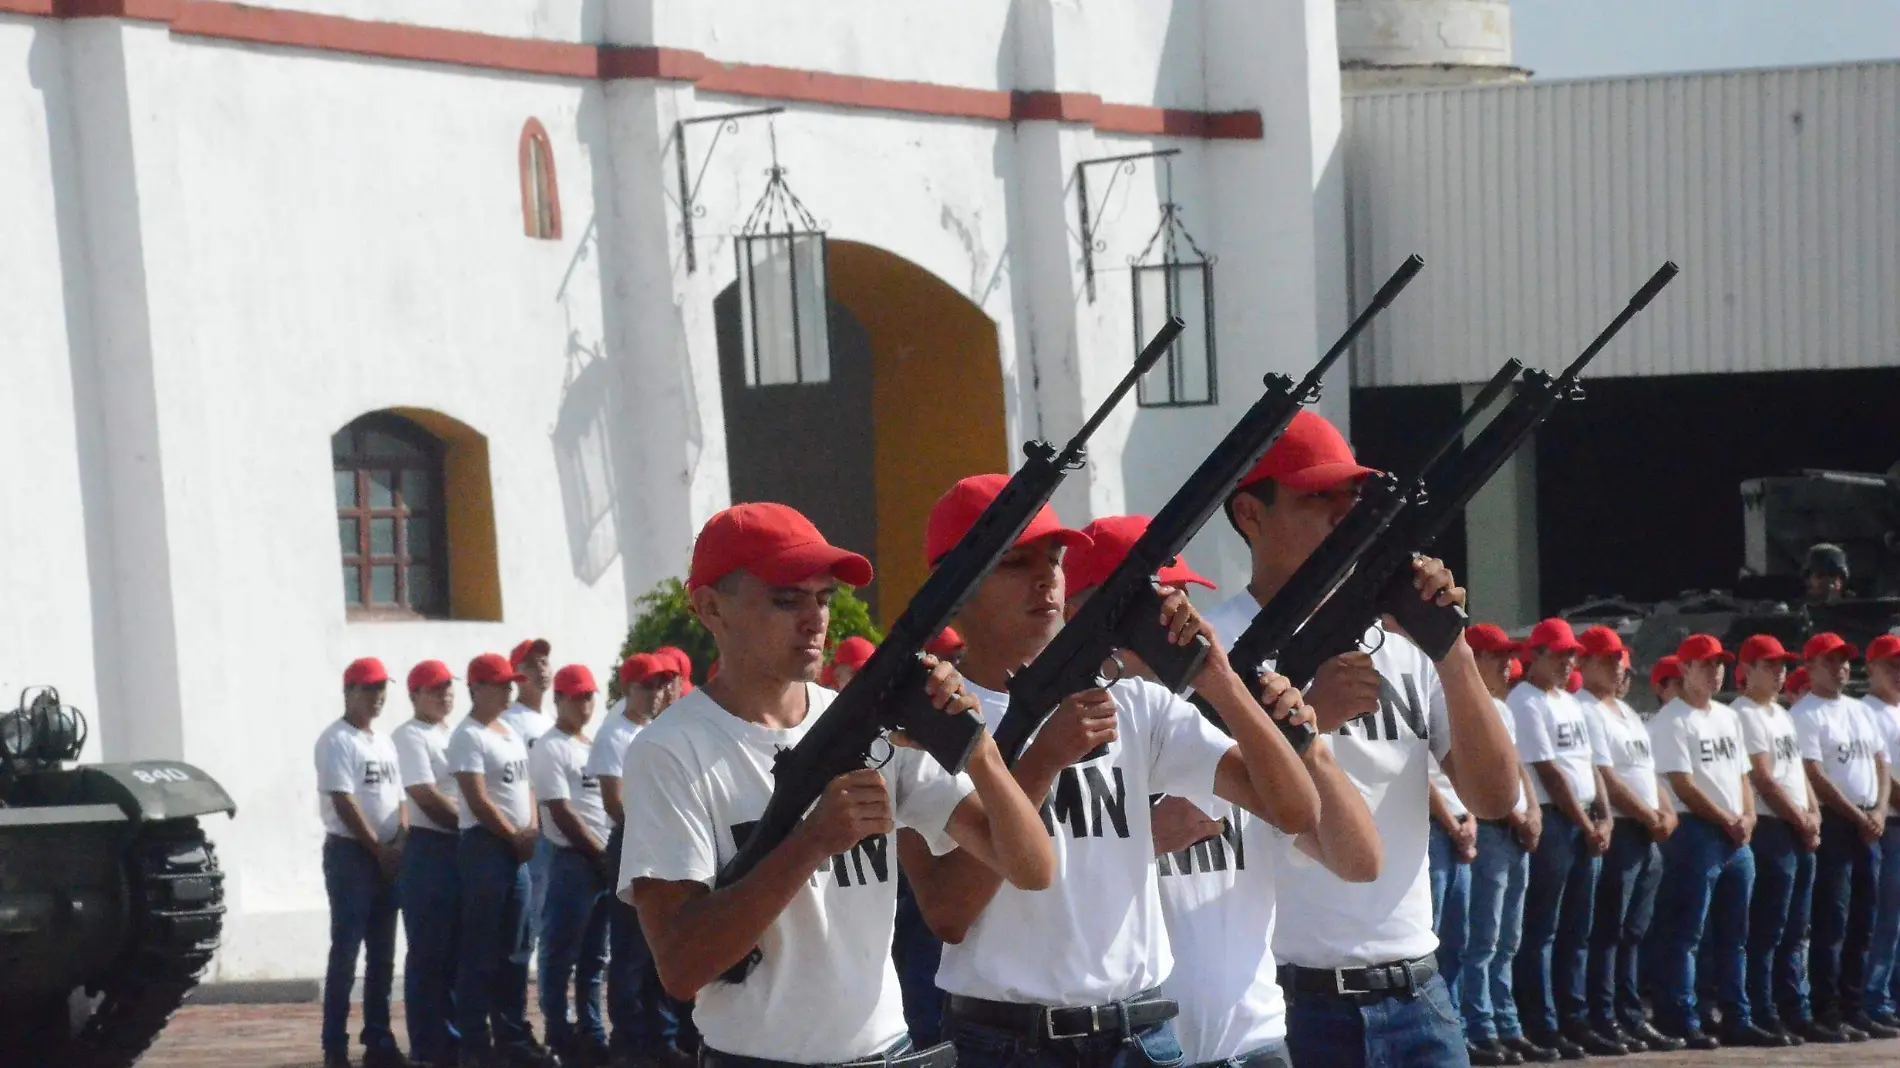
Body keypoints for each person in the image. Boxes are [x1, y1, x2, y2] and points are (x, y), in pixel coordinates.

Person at [896, 479, 1323, 1068]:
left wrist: (1219, 680)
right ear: (954, 590)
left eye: (1055, 560)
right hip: (1009, 1042)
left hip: (1139, 1034)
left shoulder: (1133, 704)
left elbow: (1296, 809)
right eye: (1017, 563)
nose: (1046, 580)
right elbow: (947, 913)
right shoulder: (921, 721)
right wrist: (1041, 761)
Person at [619, 502, 1057, 1068]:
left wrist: (980, 751)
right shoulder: (669, 750)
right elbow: (680, 968)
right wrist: (811, 842)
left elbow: (1031, 868)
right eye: (785, 599)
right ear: (709, 608)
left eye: (823, 599)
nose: (814, 619)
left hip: (888, 1053)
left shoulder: (868, 727)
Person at [1200, 414, 1522, 1068]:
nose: (1342, 517)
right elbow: (1188, 815)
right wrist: (1309, 719)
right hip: (1288, 1007)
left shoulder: (1402, 647)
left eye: (1353, 501)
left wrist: (1450, 646)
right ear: (1249, 514)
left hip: (1418, 994)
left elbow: (1492, 797)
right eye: (1317, 498)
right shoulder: (1213, 654)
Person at [1072, 513, 1382, 1068]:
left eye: (1184, 603)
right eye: (1159, 609)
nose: (1179, 625)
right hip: (1133, 1049)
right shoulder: (1063, 744)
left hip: (1253, 1046)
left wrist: (1307, 745)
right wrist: (1143, 841)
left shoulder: (1229, 736)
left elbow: (1358, 860)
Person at [1648, 635, 1768, 1049]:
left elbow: (1741, 775)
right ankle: (1683, 1015)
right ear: (1684, 670)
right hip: (1695, 832)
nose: (1715, 672)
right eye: (1705, 665)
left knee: (1735, 934)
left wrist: (1748, 816)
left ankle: (1735, 1014)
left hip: (1736, 833)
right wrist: (1728, 820)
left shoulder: (1727, 717)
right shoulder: (1671, 720)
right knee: (1688, 932)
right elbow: (1682, 783)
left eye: (1720, 664)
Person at [1510, 619, 1616, 1058]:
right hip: (1557, 820)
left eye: (1571, 654)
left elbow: (1590, 764)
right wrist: (1586, 823)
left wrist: (1605, 816)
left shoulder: (1570, 703)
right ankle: (1543, 1021)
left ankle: (1575, 1017)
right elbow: (1549, 772)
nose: (1567, 662)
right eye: (1558, 655)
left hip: (1585, 818)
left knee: (1578, 928)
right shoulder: (1526, 700)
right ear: (1534, 655)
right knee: (1544, 929)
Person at [1575, 627, 1680, 1054]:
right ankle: (1605, 1016)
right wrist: (1648, 814)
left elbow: (1648, 771)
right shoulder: (1586, 709)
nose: (1618, 666)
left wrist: (1666, 812)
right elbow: (1607, 777)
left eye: (1619, 659)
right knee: (1609, 932)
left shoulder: (1626, 712)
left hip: (1646, 832)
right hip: (1620, 829)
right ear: (1587, 664)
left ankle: (1631, 1014)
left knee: (1634, 932)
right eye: (1608, 659)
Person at [1454, 625, 1551, 1066]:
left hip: (1514, 830)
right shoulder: (1470, 707)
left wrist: (1533, 811)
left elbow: (1517, 767)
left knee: (1508, 936)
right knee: (1484, 937)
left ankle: (1506, 1024)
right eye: (1496, 656)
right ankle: (1481, 1026)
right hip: (1491, 828)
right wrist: (1517, 814)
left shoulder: (1505, 708)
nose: (1508, 665)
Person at [1793, 632, 1895, 1039]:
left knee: (1863, 920)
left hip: (1870, 822)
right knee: (1831, 920)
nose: (1840, 668)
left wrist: (1880, 809)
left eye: (1844, 661)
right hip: (1838, 824)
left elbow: (1880, 763)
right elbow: (1815, 775)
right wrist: (1857, 815)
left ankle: (1855, 1006)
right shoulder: (1807, 713)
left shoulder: (1858, 710)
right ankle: (1827, 1009)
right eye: (1831, 661)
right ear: (1812, 666)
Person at [451, 653, 551, 1068]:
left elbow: (525, 785)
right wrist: (513, 835)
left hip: (516, 849)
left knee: (516, 946)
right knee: (480, 949)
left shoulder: (507, 730)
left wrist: (530, 829)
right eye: (501, 684)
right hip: (485, 848)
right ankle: (474, 1042)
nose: (509, 691)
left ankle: (512, 1036)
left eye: (512, 684)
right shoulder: (468, 735)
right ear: (477, 688)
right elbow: (476, 796)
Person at [593, 654, 687, 1066]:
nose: (654, 694)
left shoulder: (654, 728)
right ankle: (628, 1041)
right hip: (633, 844)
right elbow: (614, 802)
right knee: (630, 949)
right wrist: (654, 828)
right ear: (626, 690)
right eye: (645, 686)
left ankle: (660, 1036)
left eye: (660, 685)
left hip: (659, 844)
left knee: (657, 947)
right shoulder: (615, 733)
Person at [317, 658, 411, 1068]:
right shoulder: (336, 740)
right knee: (347, 950)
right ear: (349, 691)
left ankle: (379, 1038)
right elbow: (344, 799)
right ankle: (334, 1044)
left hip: (388, 853)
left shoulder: (384, 741)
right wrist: (378, 848)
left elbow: (399, 796)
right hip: (352, 855)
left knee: (383, 953)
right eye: (369, 689)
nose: (377, 698)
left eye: (381, 690)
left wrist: (402, 838)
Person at [1730, 634, 1822, 1044]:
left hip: (1799, 825)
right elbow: (1763, 778)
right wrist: (1799, 817)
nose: (1780, 673)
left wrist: (1813, 812)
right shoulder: (1744, 714)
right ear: (1748, 671)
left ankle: (1794, 1007)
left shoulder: (1781, 714)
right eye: (1770, 666)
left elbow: (1797, 771)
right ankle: (1764, 1009)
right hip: (1773, 827)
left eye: (1783, 665)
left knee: (1796, 927)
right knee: (1768, 927)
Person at [530, 665, 615, 1066]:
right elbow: (561, 810)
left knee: (596, 955)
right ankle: (559, 1031)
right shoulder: (550, 746)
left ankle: (591, 1029)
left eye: (588, 696)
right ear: (558, 700)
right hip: (572, 860)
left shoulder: (591, 744)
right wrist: (598, 854)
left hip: (600, 860)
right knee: (560, 952)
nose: (584, 704)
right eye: (575, 696)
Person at [394, 659, 464, 1068]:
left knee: (456, 951)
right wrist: (469, 822)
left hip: (458, 848)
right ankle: (426, 1047)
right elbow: (424, 793)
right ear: (415, 695)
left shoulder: (450, 734)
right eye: (435, 689)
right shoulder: (411, 736)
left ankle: (450, 1041)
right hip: (431, 847)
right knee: (428, 953)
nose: (444, 695)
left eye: (447, 687)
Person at [1864, 634, 1900, 1027]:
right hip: (1888, 824)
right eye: (1891, 666)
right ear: (1871, 668)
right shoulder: (1868, 712)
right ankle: (1876, 997)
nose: (1899, 674)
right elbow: (1883, 772)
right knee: (1885, 918)